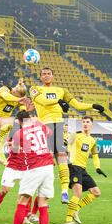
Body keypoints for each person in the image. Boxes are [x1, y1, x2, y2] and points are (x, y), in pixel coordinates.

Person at [29, 67, 105, 204]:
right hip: (44, 126)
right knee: (45, 164)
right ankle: (32, 195)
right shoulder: (34, 89)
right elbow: (42, 101)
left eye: (49, 73)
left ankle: (64, 191)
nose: (46, 76)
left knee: (62, 158)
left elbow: (77, 104)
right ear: (40, 77)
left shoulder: (61, 90)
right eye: (44, 74)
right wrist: (59, 101)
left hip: (58, 125)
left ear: (53, 76)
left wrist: (93, 106)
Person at [1, 111, 54, 224]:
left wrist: (9, 144)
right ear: (30, 118)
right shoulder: (40, 125)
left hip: (34, 168)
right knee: (43, 203)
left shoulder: (19, 133)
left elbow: (15, 149)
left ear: (18, 122)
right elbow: (50, 134)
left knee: (22, 201)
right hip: (48, 167)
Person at [64, 116, 106, 224]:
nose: (85, 124)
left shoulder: (92, 140)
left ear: (92, 124)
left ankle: (75, 210)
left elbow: (95, 155)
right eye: (83, 122)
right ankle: (68, 220)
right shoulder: (76, 135)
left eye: (87, 122)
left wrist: (98, 167)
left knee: (96, 192)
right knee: (77, 193)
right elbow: (67, 145)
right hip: (73, 166)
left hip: (82, 169)